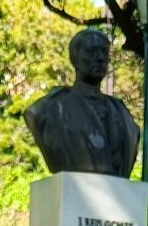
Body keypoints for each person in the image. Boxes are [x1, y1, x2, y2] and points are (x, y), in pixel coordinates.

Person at [25, 29, 140, 178]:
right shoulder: (49, 109)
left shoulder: (122, 113)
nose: (100, 58)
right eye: (91, 52)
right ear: (75, 59)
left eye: (104, 52)